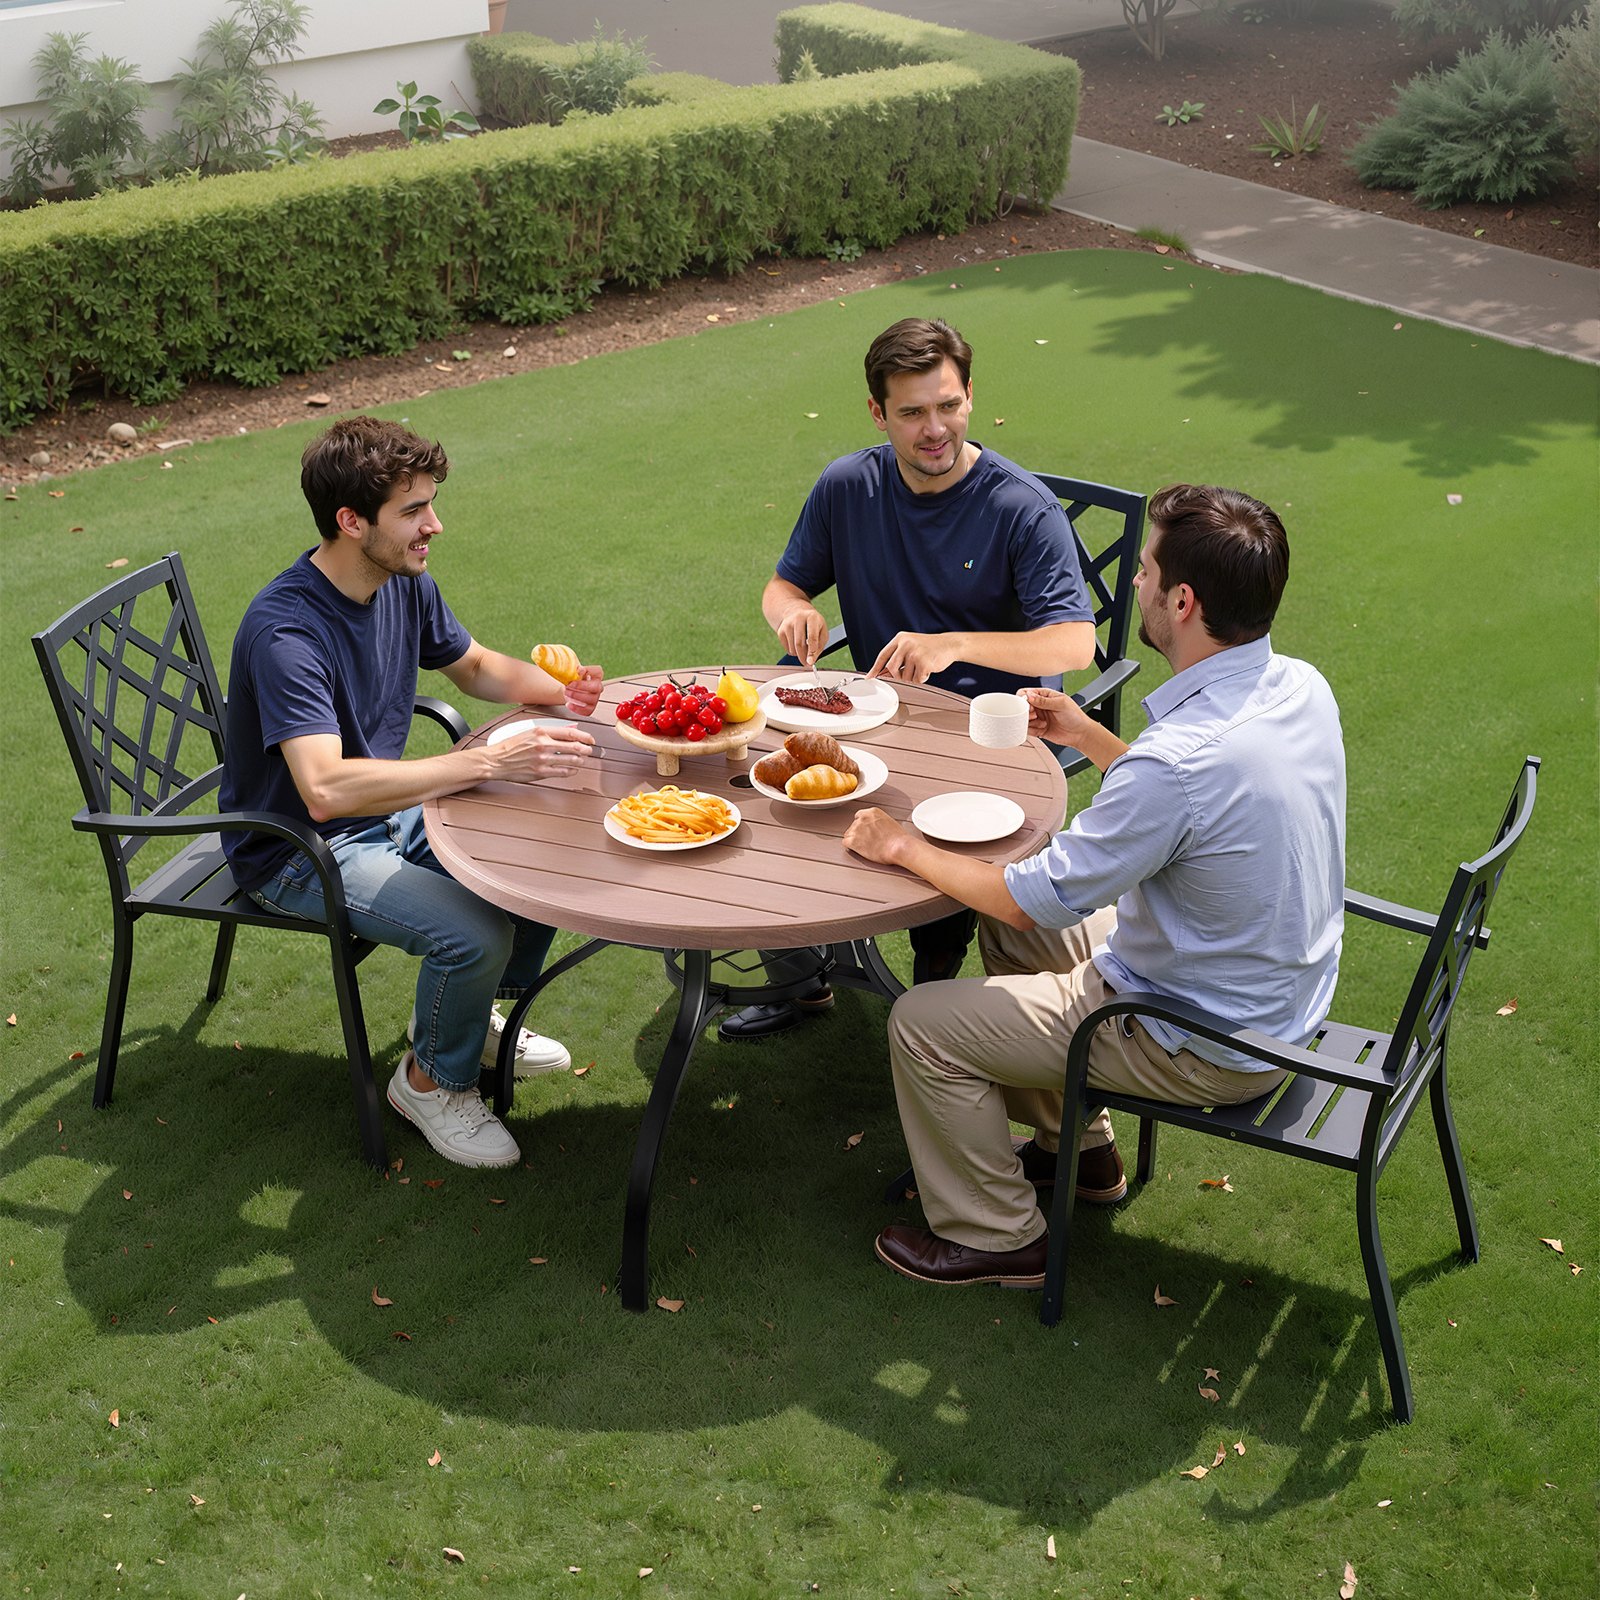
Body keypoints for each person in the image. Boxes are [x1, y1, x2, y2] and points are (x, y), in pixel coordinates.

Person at [841, 482, 1346, 1288]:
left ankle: (999, 1236)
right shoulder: (1300, 688)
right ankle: (1080, 1152)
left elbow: (1021, 894)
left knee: (921, 1023)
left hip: (1199, 1037)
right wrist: (1090, 736)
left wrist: (900, 844)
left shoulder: (1176, 763)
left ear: (1183, 601)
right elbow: (1195, 811)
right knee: (1017, 932)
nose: (1135, 584)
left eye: (1145, 571)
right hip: (1269, 997)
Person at [220, 416, 603, 1170]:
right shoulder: (286, 631)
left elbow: (476, 667)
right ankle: (430, 1083)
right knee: (474, 935)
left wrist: (562, 693)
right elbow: (324, 790)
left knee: (543, 846)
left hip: (385, 813)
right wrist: (483, 764)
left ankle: (474, 1016)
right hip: (299, 850)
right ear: (351, 521)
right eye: (413, 511)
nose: (435, 524)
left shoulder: (400, 580)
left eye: (430, 502)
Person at [718, 315, 1098, 1042]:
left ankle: (931, 1004)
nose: (935, 429)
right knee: (768, 791)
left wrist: (951, 644)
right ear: (877, 413)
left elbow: (1075, 642)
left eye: (948, 405)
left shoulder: (1022, 508)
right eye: (913, 412)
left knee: (941, 827)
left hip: (990, 737)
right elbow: (782, 586)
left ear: (970, 397)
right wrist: (793, 611)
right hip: (874, 717)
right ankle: (801, 980)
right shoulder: (846, 487)